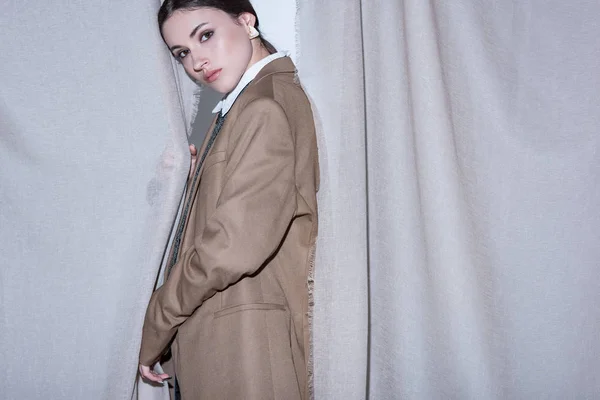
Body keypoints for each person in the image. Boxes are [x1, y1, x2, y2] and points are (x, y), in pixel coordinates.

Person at [138, 1, 319, 399]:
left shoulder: (263, 107)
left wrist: (154, 322)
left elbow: (232, 246)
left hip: (248, 353)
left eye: (205, 35)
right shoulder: (244, 106)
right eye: (182, 53)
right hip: (233, 347)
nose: (197, 61)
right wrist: (182, 185)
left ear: (246, 20)